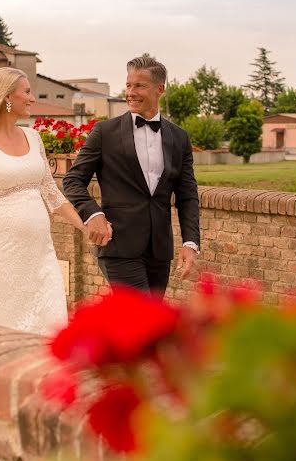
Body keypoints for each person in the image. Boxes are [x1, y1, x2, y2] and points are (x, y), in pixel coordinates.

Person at [0, 67, 109, 335]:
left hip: (41, 254)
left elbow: (52, 194)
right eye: (26, 92)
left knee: (52, 326)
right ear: (6, 97)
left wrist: (85, 225)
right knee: (6, 334)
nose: (32, 98)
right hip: (1, 255)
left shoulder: (33, 137)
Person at [63, 56, 200, 296]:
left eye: (139, 86)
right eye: (128, 85)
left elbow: (187, 195)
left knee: (150, 324)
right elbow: (73, 180)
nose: (130, 92)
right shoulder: (105, 132)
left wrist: (190, 243)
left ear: (160, 89)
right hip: (118, 246)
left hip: (159, 250)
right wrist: (93, 213)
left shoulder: (179, 138)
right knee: (143, 316)